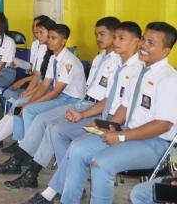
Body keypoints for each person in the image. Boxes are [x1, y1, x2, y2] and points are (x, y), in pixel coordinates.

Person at [47, 22, 177, 204]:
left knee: (102, 164)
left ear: (166, 51)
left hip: (154, 144)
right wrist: (108, 126)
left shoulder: (169, 79)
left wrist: (122, 136)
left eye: (151, 42)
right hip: (128, 131)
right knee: (77, 148)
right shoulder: (139, 72)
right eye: (144, 40)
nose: (144, 45)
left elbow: (163, 124)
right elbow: (124, 107)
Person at [22, 21, 143, 203]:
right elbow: (107, 100)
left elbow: (123, 110)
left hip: (117, 123)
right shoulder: (116, 63)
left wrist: (106, 125)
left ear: (137, 42)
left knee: (75, 145)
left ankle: (53, 190)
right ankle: (71, 181)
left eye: (120, 38)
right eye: (115, 37)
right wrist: (82, 115)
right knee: (57, 130)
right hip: (99, 112)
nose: (115, 42)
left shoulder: (137, 70)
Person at [0, 17, 55, 148]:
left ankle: (5, 140)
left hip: (47, 89)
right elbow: (35, 71)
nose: (36, 34)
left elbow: (43, 79)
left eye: (40, 31)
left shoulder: (53, 53)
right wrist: (25, 83)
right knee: (14, 100)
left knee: (19, 105)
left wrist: (26, 89)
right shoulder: (41, 47)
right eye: (35, 31)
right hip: (38, 84)